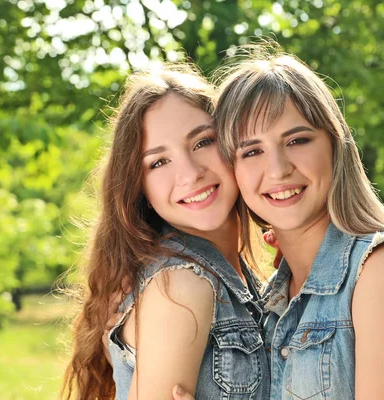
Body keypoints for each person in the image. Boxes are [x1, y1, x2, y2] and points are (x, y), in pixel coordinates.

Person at [173, 45, 384, 399]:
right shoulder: (274, 300)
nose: (278, 169)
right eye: (252, 151)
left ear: (336, 145)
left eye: (297, 140)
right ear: (233, 170)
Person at [60, 65, 270, 400]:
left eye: (202, 142)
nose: (190, 174)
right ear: (139, 187)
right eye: (158, 162)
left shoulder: (242, 279)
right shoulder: (181, 286)